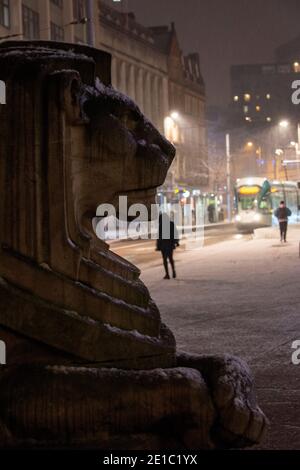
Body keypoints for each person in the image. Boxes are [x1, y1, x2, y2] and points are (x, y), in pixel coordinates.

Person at [156, 213, 179, 279]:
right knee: (171, 258)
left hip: (163, 244)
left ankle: (167, 274)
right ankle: (173, 271)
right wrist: (176, 242)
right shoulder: (171, 223)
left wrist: (158, 246)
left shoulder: (161, 225)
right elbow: (175, 233)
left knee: (165, 259)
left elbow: (159, 236)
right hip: (170, 244)